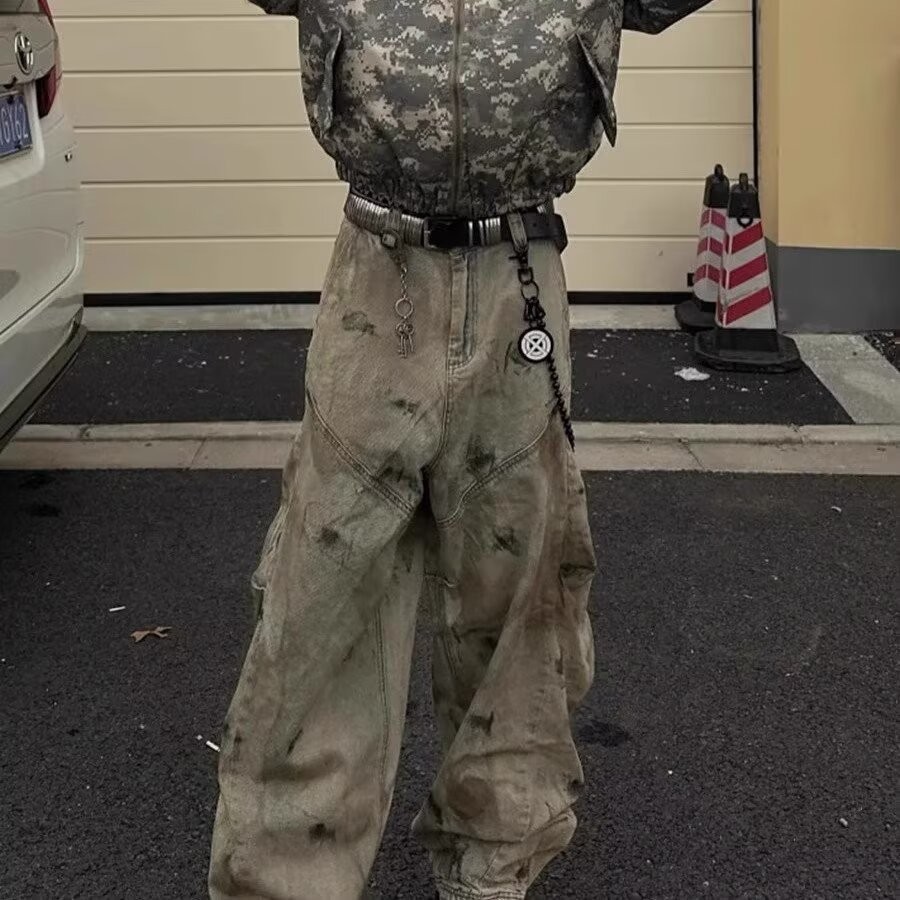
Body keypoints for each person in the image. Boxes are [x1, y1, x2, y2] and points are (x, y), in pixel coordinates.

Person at [209, 2, 712, 898]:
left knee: (521, 592)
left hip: (519, 276)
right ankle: (284, 879)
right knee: (320, 599)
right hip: (377, 279)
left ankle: (494, 863)